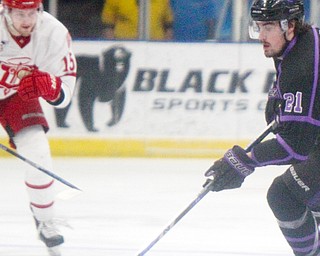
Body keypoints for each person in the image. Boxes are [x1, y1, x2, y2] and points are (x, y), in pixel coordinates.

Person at [204, 0, 320, 255]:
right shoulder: (302, 42)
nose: (262, 36)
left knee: (284, 195)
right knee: (308, 192)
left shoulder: (302, 65)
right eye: (258, 27)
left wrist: (244, 160)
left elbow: (294, 148)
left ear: (289, 26)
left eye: (268, 27)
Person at [0, 0, 77, 255]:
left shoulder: (54, 34)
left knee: (38, 151)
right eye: (19, 13)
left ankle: (45, 220)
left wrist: (51, 88)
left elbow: (65, 92)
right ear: (6, 10)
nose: (26, 20)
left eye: (31, 12)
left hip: (15, 96)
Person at [101, 0, 174, 40]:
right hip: (124, 46)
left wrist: (164, 47)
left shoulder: (163, 1)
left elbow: (168, 25)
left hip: (155, 46)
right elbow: (108, 26)